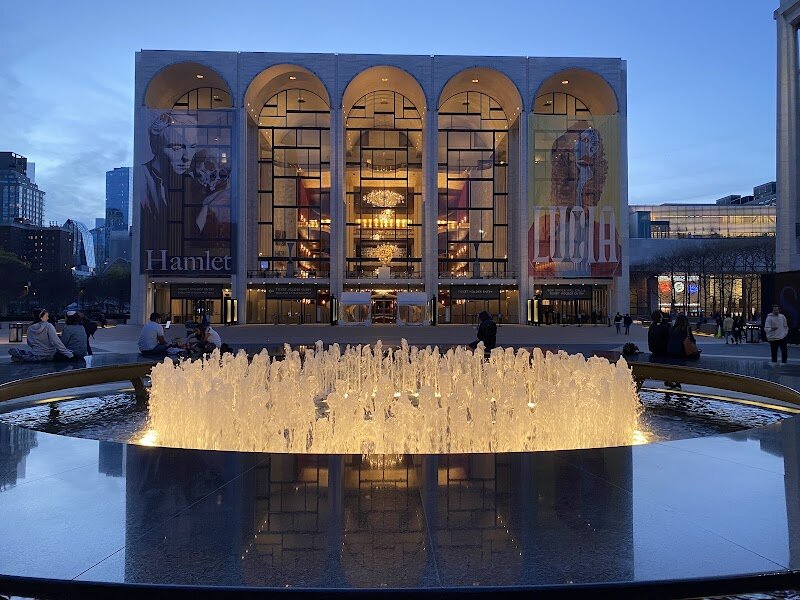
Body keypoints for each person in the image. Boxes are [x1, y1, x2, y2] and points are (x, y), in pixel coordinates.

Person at [8, 309, 74, 362]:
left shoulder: (30, 328)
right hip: (49, 354)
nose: (48, 318)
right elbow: (56, 341)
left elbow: (30, 343)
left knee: (20, 354)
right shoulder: (48, 326)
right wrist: (68, 353)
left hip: (36, 353)